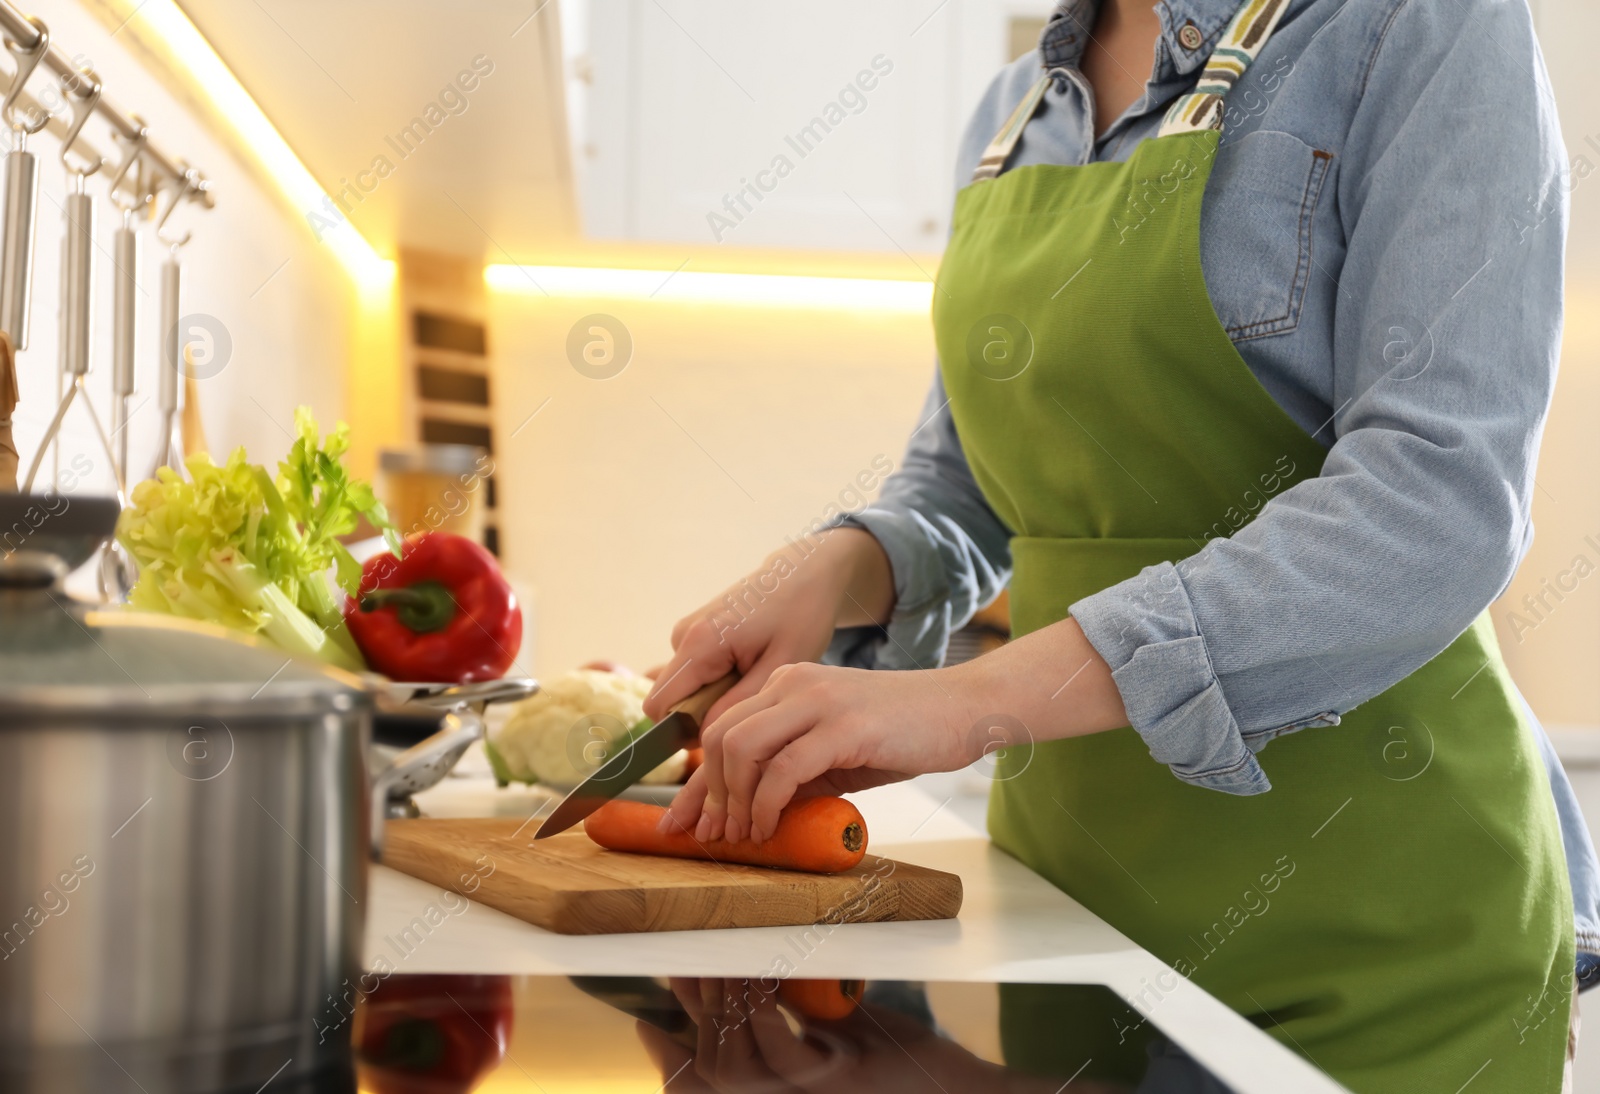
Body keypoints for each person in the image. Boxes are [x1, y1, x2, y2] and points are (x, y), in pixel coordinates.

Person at [643, 0, 1599, 1089]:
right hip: (1076, 917)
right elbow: (969, 481)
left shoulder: (1421, 25)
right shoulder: (1013, 114)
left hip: (1379, 939)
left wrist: (966, 700)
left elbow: (1438, 502)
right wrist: (837, 564)